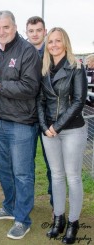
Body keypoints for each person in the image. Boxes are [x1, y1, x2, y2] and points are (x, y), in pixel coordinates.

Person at [0, 10, 41, 239]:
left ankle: (22, 219)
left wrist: (0, 88)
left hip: (22, 123)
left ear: (14, 28)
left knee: (22, 174)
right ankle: (10, 206)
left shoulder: (27, 51)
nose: (1, 32)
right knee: (3, 168)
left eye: (6, 27)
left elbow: (30, 87)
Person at [37, 27, 88, 244]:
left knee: (72, 177)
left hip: (72, 129)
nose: (54, 45)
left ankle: (73, 223)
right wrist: (44, 125)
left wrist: (56, 126)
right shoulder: (44, 69)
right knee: (56, 176)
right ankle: (58, 219)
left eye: (58, 41)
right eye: (50, 42)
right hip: (49, 131)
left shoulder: (76, 67)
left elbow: (78, 101)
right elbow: (39, 100)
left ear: (65, 43)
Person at [26, 16, 53, 209]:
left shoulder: (52, 53)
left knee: (53, 164)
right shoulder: (22, 52)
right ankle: (27, 203)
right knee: (26, 164)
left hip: (49, 118)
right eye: (31, 31)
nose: (35, 34)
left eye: (38, 30)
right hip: (26, 117)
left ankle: (55, 204)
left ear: (45, 31)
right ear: (27, 33)